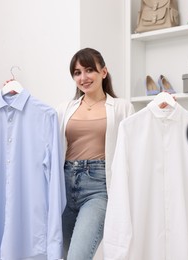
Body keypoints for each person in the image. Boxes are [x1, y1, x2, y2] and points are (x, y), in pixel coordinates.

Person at [57, 47, 134, 260]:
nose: (83, 77)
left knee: (77, 256)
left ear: (104, 72)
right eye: (77, 72)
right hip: (64, 188)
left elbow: (132, 153)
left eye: (89, 70)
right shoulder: (64, 108)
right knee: (59, 255)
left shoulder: (121, 108)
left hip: (98, 189)